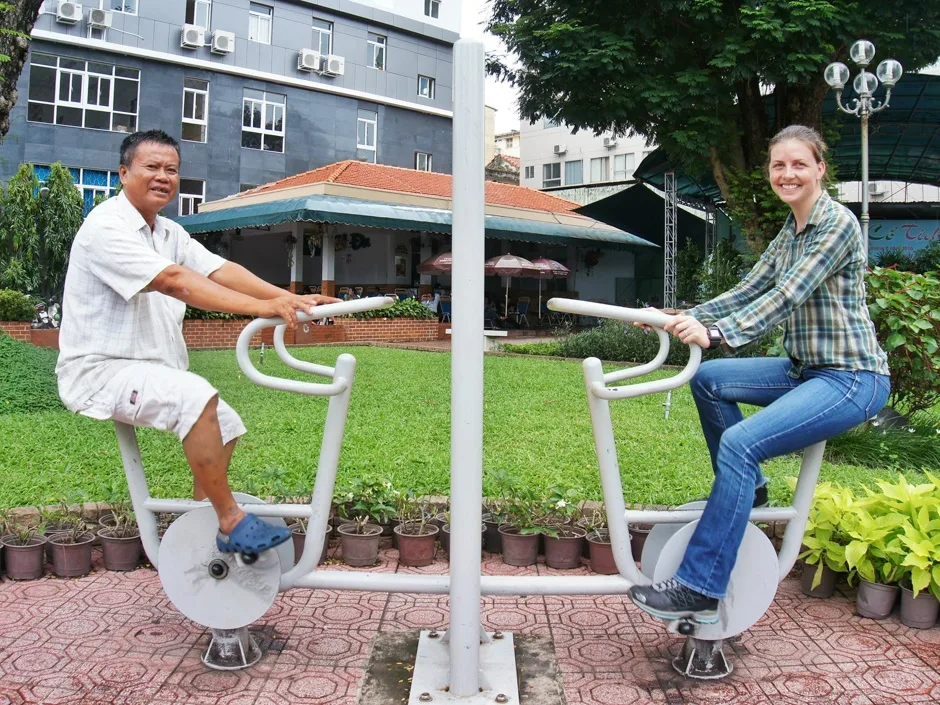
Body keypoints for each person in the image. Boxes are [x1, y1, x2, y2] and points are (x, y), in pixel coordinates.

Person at [628, 125, 890, 624]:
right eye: (778, 165)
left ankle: (699, 586)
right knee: (710, 380)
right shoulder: (790, 232)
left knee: (740, 443)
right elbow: (750, 289)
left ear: (819, 169)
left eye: (798, 164)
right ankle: (751, 491)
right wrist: (679, 315)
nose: (787, 174)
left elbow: (785, 295)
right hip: (804, 370)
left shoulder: (837, 225)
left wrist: (719, 333)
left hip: (853, 379)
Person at [55, 130, 339, 558]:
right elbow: (175, 282)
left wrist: (285, 297)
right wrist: (261, 308)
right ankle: (230, 522)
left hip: (153, 368)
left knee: (224, 421)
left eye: (172, 170)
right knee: (196, 396)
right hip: (101, 371)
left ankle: (199, 521)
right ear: (123, 172)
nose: (163, 177)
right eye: (151, 167)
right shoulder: (105, 227)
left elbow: (220, 269)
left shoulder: (169, 232)